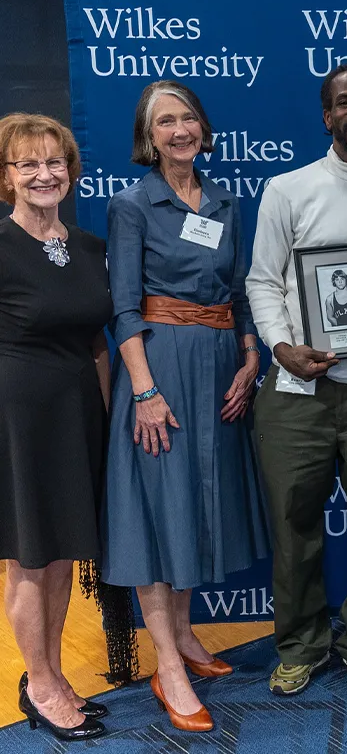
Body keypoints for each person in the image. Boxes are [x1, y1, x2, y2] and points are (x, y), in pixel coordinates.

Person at [103, 80, 270, 733]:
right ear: (150, 135)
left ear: (203, 127)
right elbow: (122, 305)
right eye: (166, 120)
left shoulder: (227, 201)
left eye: (189, 117)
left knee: (198, 501)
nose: (180, 129)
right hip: (162, 368)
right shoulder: (131, 203)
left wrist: (251, 356)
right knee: (158, 509)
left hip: (221, 366)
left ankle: (189, 633)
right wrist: (144, 390)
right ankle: (166, 661)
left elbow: (239, 287)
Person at [247, 64, 347, 698]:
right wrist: (281, 347)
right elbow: (263, 281)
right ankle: (302, 643)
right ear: (327, 116)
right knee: (293, 525)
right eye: (346, 102)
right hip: (297, 392)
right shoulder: (288, 190)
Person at [0, 113, 134, 741]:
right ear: (7, 177)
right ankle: (42, 683)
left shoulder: (88, 247)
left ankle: (48, 674)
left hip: (79, 413)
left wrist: (107, 422)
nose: (43, 174)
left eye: (54, 162)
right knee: (31, 557)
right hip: (20, 421)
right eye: (27, 164)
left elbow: (99, 343)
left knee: (58, 558)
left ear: (71, 170)